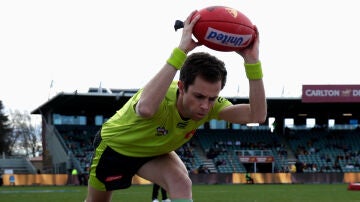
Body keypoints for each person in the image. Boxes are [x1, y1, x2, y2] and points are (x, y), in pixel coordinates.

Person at [85, 9, 266, 202]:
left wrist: (252, 62)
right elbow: (145, 110)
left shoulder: (211, 105)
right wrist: (182, 50)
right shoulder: (160, 94)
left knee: (181, 182)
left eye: (212, 98)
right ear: (181, 87)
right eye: (198, 96)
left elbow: (257, 116)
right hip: (116, 148)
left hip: (153, 153)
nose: (205, 106)